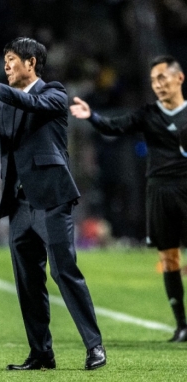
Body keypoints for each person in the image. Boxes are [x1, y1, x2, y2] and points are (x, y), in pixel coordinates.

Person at [0, 37, 106, 370]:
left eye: (11, 60)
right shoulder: (4, 104)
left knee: (65, 272)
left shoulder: (55, 92)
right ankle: (41, 353)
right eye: (3, 62)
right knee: (27, 282)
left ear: (31, 62)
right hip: (20, 205)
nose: (5, 66)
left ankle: (94, 346)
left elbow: (33, 105)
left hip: (51, 199)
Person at [71, 55, 187, 342]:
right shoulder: (148, 114)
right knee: (169, 258)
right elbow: (115, 126)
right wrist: (93, 117)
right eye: (153, 81)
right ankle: (182, 325)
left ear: (179, 78)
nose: (157, 85)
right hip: (159, 190)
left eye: (162, 78)